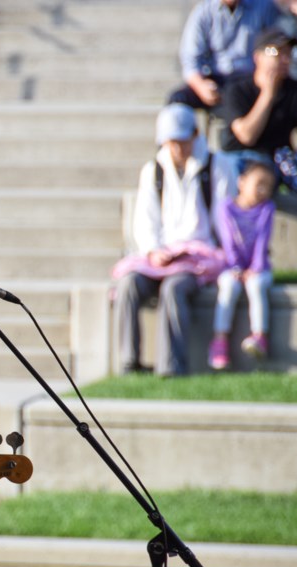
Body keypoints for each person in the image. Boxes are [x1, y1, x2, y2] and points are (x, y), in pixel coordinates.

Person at [112, 104, 228, 377]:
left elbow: (223, 219)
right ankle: (129, 363)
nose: (177, 149)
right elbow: (145, 219)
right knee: (128, 285)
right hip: (158, 257)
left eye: (182, 141)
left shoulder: (216, 166)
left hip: (198, 258)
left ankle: (172, 368)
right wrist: (153, 251)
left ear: (196, 135)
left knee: (173, 290)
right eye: (171, 143)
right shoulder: (153, 170)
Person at [208, 159, 276, 369]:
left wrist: (255, 268)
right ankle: (220, 340)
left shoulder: (267, 208)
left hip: (260, 267)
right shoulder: (225, 207)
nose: (263, 190)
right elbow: (228, 241)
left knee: (255, 286)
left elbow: (262, 242)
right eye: (259, 183)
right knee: (228, 287)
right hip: (231, 267)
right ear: (241, 182)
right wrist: (237, 267)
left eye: (268, 186)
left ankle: (259, 336)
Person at [219, 26, 297, 183]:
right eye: (276, 52)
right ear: (258, 57)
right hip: (239, 158)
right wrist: (268, 95)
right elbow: (246, 136)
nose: (284, 59)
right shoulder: (237, 89)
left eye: (288, 53)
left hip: (275, 161)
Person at [170, 0, 279, 113]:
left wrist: (267, 76)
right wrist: (200, 86)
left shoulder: (265, 7)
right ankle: (184, 130)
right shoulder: (203, 12)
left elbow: (275, 46)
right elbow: (190, 59)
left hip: (251, 79)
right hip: (217, 80)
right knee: (177, 100)